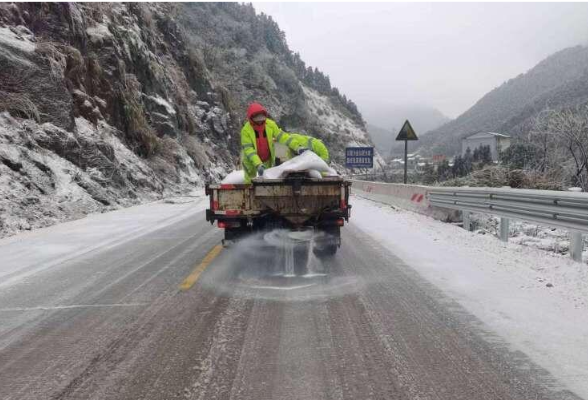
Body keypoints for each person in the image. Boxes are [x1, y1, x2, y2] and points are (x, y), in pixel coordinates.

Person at [241, 102, 308, 183]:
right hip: (250, 163)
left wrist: (297, 147)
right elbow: (249, 150)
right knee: (249, 184)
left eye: (262, 120)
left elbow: (284, 137)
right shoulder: (245, 131)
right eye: (257, 120)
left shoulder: (270, 125)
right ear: (251, 119)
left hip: (267, 160)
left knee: (266, 182)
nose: (260, 122)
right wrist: (258, 164)